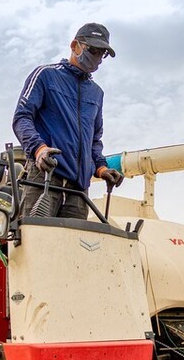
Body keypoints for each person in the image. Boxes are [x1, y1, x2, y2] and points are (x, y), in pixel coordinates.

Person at [12, 22, 124, 220]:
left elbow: (94, 140)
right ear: (75, 46)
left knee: (74, 247)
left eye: (102, 53)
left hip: (79, 189)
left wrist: (101, 168)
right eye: (94, 50)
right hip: (45, 177)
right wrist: (39, 149)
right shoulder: (46, 76)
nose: (97, 58)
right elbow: (22, 117)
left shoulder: (96, 93)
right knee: (37, 242)